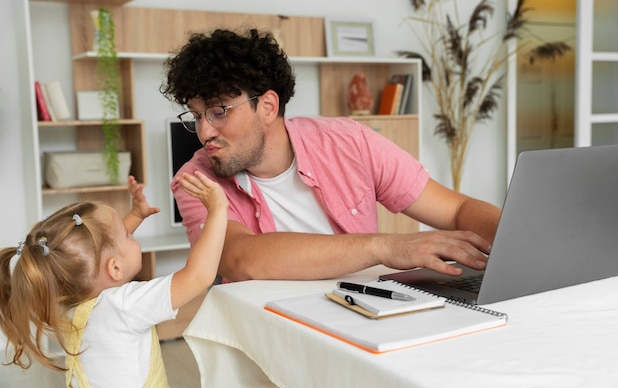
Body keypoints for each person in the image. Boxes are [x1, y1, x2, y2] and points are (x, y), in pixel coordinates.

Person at [161, 28, 501, 284]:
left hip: (366, 313)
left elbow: (457, 210)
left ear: (267, 106)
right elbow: (239, 259)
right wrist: (384, 247)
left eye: (218, 111)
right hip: (272, 345)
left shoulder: (348, 141)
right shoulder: (195, 181)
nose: (204, 132)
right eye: (196, 115)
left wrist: (518, 238)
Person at [0, 173, 227, 388]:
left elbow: (94, 255)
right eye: (128, 234)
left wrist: (135, 215)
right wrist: (217, 209)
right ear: (115, 268)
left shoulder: (63, 299)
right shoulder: (126, 305)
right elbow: (199, 276)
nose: (132, 234)